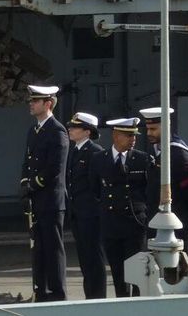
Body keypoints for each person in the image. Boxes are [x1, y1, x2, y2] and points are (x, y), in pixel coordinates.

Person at [21, 84, 68, 302]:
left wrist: (35, 183)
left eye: (35, 101)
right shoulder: (34, 130)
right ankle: (40, 289)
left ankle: (57, 292)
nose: (31, 104)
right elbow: (28, 161)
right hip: (37, 198)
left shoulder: (57, 131)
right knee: (38, 246)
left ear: (47, 103)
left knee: (52, 246)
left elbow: (55, 168)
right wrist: (25, 183)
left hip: (50, 199)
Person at [97, 117, 152, 297]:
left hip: (134, 223)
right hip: (111, 223)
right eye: (128, 135)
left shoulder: (142, 159)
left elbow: (148, 190)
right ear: (115, 135)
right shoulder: (100, 159)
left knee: (136, 274)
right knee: (118, 273)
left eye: (134, 135)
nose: (133, 139)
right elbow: (95, 189)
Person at [139, 106, 188, 240]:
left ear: (166, 126)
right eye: (148, 129)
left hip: (174, 221)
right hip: (155, 219)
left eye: (153, 129)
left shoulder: (180, 156)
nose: (149, 133)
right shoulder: (155, 150)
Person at [65, 112, 107, 299]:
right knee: (84, 258)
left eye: (75, 127)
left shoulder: (95, 152)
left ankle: (96, 298)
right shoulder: (74, 150)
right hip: (78, 213)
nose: (70, 129)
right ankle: (90, 296)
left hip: (91, 213)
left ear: (87, 131)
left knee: (94, 258)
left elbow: (98, 186)